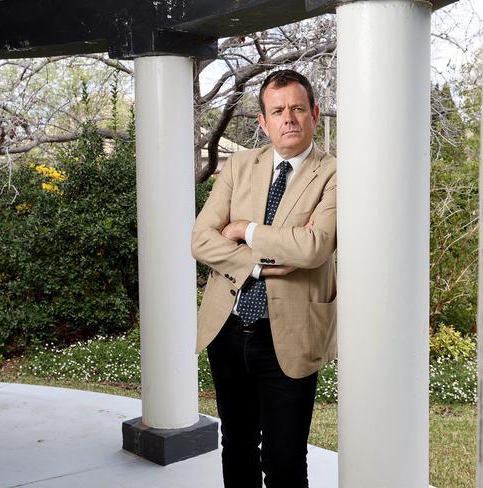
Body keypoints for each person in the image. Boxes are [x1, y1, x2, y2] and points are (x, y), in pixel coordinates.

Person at [191, 69, 337, 488]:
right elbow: (201, 240)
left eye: (296, 109)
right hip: (229, 328)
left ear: (314, 113)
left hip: (289, 334)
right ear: (263, 121)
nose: (287, 118)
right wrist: (261, 262)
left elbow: (314, 247)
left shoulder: (333, 173)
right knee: (236, 444)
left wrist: (243, 230)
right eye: (277, 111)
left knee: (285, 458)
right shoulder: (238, 166)